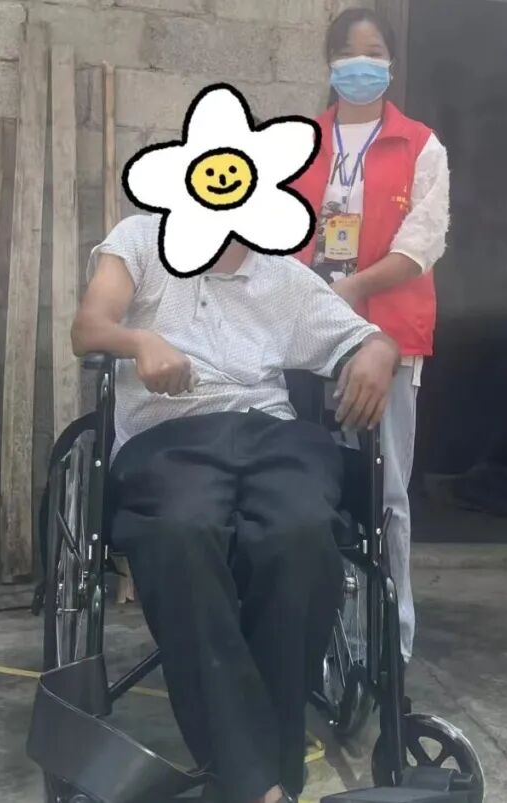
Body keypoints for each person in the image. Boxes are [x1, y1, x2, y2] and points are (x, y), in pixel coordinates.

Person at [71, 213, 400, 803]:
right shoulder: (141, 240)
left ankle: (250, 779)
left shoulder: (283, 276)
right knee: (181, 533)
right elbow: (87, 328)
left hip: (273, 435)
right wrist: (140, 340)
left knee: (301, 534)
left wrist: (381, 350)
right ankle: (262, 784)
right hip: (168, 436)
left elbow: (364, 337)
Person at [290, 7, 451, 664]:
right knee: (307, 483)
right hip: (304, 339)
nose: (362, 63)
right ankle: (318, 634)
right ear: (330, 63)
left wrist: (353, 288)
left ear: (390, 62)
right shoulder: (300, 142)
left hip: (389, 339)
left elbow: (422, 243)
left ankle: (386, 643)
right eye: (349, 52)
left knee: (385, 492)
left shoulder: (420, 146)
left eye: (374, 51)